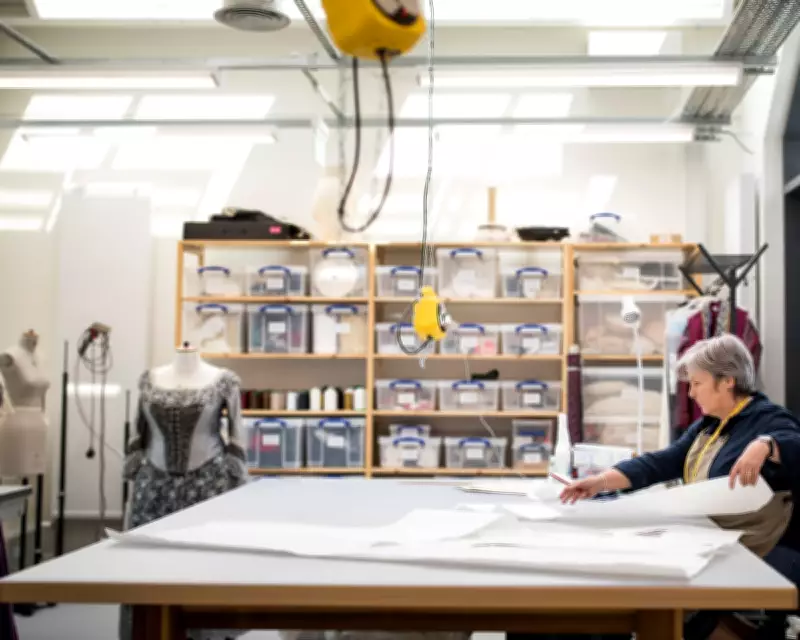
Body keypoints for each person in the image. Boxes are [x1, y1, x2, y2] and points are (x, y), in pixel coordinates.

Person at [560, 333, 800, 640]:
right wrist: (601, 481)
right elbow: (663, 461)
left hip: (753, 546)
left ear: (727, 381)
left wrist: (766, 444)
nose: (691, 393)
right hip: (710, 538)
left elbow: (793, 443)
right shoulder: (709, 425)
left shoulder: (766, 418)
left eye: (697, 383)